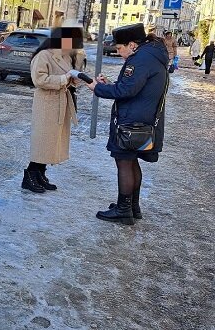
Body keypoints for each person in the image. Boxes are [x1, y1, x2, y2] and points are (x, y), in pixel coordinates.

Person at [85, 23, 168, 225]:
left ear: (132, 44)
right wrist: (110, 85)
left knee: (124, 162)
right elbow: (134, 87)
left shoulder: (140, 59)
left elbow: (126, 91)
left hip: (132, 121)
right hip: (142, 120)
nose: (119, 53)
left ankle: (124, 210)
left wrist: (97, 88)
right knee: (132, 162)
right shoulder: (151, 55)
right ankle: (132, 206)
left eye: (120, 48)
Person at [22, 27, 84, 193]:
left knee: (51, 143)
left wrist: (75, 69)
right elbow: (39, 79)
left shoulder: (65, 55)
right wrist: (64, 79)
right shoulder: (44, 55)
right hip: (46, 104)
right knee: (42, 141)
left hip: (60, 102)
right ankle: (29, 176)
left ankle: (40, 174)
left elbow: (72, 78)